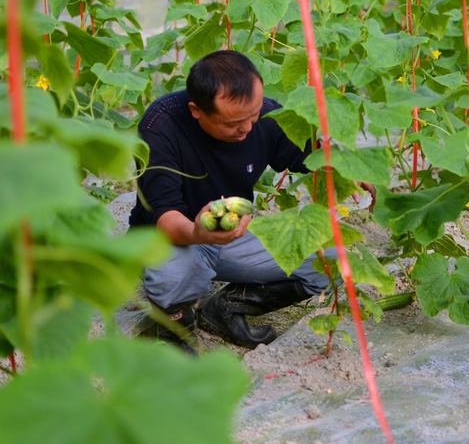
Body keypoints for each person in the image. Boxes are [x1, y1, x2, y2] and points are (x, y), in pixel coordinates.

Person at [129, 50, 374, 353]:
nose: (247, 128)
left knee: (333, 262)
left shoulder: (265, 117)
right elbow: (164, 216)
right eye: (233, 123)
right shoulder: (161, 125)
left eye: (253, 115)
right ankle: (175, 328)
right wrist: (198, 232)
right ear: (196, 110)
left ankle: (227, 308)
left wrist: (346, 168)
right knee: (172, 276)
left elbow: (310, 154)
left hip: (233, 233)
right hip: (173, 236)